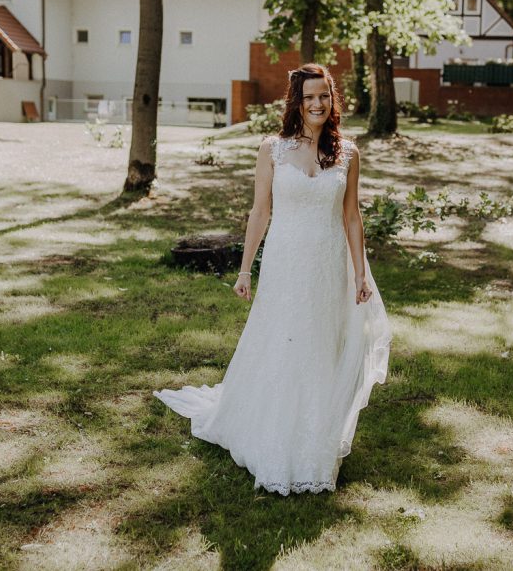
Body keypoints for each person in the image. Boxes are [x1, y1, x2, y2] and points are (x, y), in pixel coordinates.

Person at [155, 63, 391, 495]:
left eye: (324, 96)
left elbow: (352, 216)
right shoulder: (273, 149)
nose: (317, 104)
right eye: (309, 98)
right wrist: (245, 270)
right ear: (297, 104)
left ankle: (314, 442)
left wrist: (360, 273)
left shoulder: (348, 153)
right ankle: (272, 438)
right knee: (284, 342)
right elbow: (260, 211)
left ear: (332, 99)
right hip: (286, 263)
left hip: (328, 264)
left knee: (321, 346)